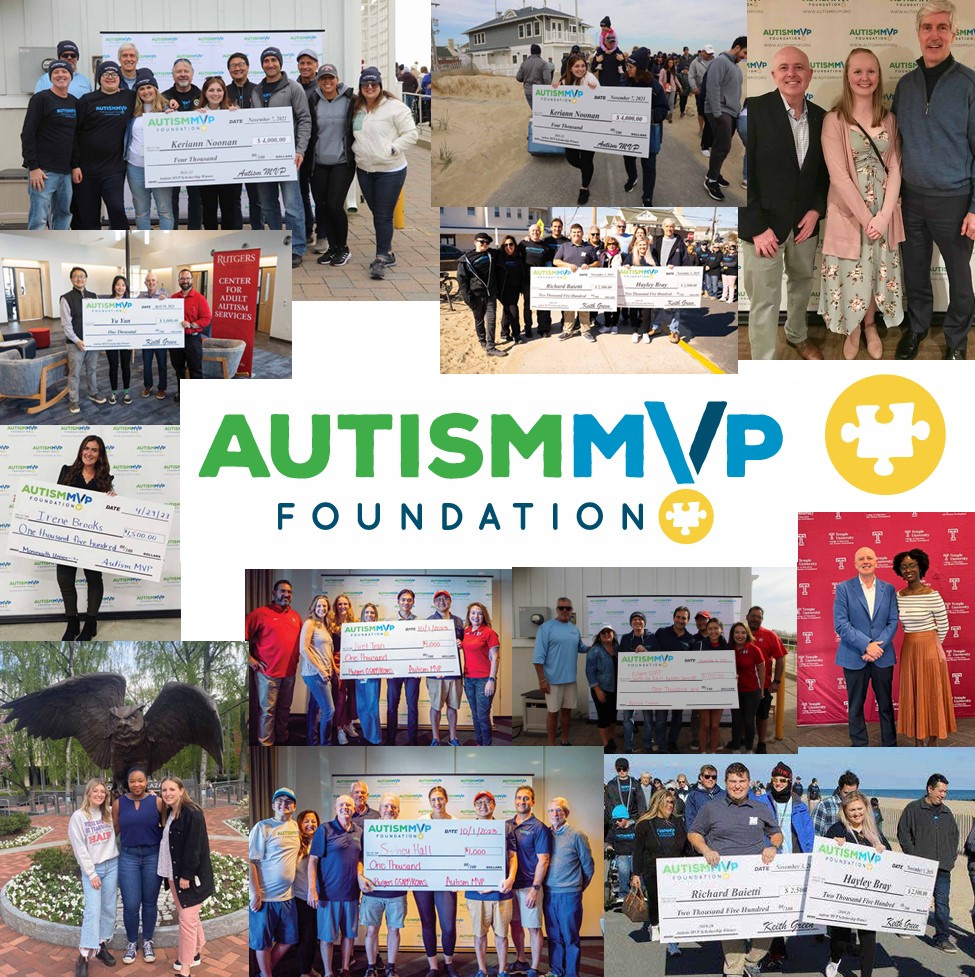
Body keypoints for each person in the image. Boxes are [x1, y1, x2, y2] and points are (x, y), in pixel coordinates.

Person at [893, 0, 975, 360]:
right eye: (928, 28)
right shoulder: (906, 85)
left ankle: (956, 342)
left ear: (954, 34)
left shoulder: (970, 84)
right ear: (918, 33)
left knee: (960, 282)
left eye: (942, 28)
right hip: (911, 200)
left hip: (956, 203)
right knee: (914, 274)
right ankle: (917, 328)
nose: (934, 35)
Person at [740, 47, 828, 360]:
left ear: (810, 73)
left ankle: (797, 336)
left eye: (799, 67)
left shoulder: (821, 117)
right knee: (764, 300)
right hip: (763, 227)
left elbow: (823, 175)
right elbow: (740, 178)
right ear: (773, 74)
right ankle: (763, 364)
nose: (792, 73)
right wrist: (756, 226)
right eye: (784, 68)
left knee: (802, 285)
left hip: (804, 225)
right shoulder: (754, 111)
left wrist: (817, 209)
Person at [818, 50, 905, 358]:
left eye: (870, 71)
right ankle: (852, 328)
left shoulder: (890, 119)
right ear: (847, 76)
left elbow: (896, 167)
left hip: (885, 209)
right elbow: (839, 175)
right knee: (851, 269)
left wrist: (882, 217)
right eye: (858, 72)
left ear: (878, 76)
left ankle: (870, 325)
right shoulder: (834, 120)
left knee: (876, 270)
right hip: (849, 211)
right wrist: (867, 216)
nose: (864, 78)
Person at [687, 763, 783, 976]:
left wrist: (773, 846)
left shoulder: (761, 808)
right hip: (724, 878)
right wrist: (704, 849)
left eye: (741, 781)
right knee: (730, 927)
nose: (737, 786)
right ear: (726, 783)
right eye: (733, 781)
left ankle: (751, 961)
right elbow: (694, 833)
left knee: (767, 926)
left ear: (749, 782)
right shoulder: (711, 808)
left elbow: (776, 833)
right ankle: (734, 970)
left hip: (758, 878)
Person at [351, 66, 418, 280]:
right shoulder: (357, 107)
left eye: (373, 84)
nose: (369, 87)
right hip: (365, 169)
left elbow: (411, 134)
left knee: (382, 214)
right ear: (361, 87)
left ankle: (382, 256)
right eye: (365, 84)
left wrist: (392, 148)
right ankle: (387, 250)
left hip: (390, 169)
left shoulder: (395, 108)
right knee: (377, 212)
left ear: (380, 86)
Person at [251, 46, 311, 268]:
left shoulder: (293, 88)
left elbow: (305, 120)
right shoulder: (256, 90)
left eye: (273, 60)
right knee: (268, 205)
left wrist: (299, 150)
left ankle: (296, 247)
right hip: (262, 158)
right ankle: (277, 244)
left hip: (287, 157)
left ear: (280, 63)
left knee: (293, 205)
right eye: (266, 60)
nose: (270, 64)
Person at [833, 546, 899, 747]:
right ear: (855, 564)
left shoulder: (888, 589)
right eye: (861, 558)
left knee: (886, 705)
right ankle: (859, 746)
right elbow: (841, 623)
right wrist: (866, 646)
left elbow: (893, 621)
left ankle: (890, 745)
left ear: (877, 562)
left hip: (882, 655)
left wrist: (876, 648)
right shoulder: (844, 588)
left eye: (869, 557)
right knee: (855, 706)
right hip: (854, 656)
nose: (865, 561)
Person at [822, 789, 889, 977]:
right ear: (845, 811)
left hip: (868, 895)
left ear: (866, 809)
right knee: (840, 939)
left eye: (859, 808)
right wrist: (834, 844)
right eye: (852, 810)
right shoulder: (837, 829)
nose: (856, 813)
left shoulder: (874, 832)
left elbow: (889, 860)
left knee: (868, 939)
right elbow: (825, 855)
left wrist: (882, 849)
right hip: (844, 894)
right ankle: (835, 959)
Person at [53, 434, 114, 640]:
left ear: (100, 454)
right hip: (67, 535)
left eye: (94, 450)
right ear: (81, 450)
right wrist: (28, 501)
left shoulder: (106, 479)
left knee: (94, 579)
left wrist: (113, 500)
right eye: (86, 448)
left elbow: (109, 512)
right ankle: (72, 623)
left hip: (92, 538)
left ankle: (91, 623)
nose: (89, 453)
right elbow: (51, 500)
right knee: (65, 579)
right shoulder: (67, 472)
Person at [893, 548, 955, 745]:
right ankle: (918, 739)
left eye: (912, 565)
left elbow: (944, 626)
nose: (908, 570)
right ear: (899, 571)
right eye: (903, 567)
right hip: (909, 648)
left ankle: (933, 739)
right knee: (914, 694)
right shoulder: (898, 596)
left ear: (921, 567)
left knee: (932, 694)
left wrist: (934, 647)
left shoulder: (932, 595)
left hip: (930, 649)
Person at [758, 763, 814, 969]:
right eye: (775, 780)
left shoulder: (799, 804)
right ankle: (776, 952)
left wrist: (811, 858)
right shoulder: (761, 802)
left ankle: (803, 936)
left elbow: (808, 836)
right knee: (771, 908)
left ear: (789, 782)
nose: (778, 784)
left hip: (794, 861)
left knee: (789, 907)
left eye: (782, 780)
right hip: (769, 861)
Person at [897, 773, 959, 952]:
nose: (943, 795)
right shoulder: (914, 808)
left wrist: (951, 858)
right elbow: (903, 832)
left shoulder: (947, 812)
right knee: (915, 899)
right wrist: (915, 855)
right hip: (920, 866)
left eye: (945, 792)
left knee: (942, 902)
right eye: (940, 791)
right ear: (929, 789)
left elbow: (954, 836)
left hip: (943, 867)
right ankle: (906, 925)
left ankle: (942, 938)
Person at [158, 777, 213, 977]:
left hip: (187, 877)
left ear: (181, 790)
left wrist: (187, 875)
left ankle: (186, 968)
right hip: (172, 874)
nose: (167, 793)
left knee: (187, 919)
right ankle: (196, 952)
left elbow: (195, 847)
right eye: (164, 790)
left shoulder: (193, 813)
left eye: (172, 789)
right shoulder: (171, 813)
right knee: (190, 917)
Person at [72, 61, 135, 229]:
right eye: (105, 74)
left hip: (113, 169)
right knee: (88, 216)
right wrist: (75, 165)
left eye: (114, 74)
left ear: (119, 78)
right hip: (86, 171)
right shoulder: (86, 100)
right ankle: (92, 252)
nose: (110, 77)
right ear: (99, 78)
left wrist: (170, 104)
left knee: (116, 208)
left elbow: (151, 98)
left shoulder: (129, 97)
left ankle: (122, 248)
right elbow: (74, 134)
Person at [113, 765, 164, 965]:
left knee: (150, 902)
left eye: (140, 780)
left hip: (153, 855)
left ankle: (148, 941)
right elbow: (113, 831)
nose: (137, 784)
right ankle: (132, 942)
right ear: (128, 782)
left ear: (147, 782)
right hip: (128, 857)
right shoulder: (119, 804)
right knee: (131, 904)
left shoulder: (157, 802)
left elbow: (167, 827)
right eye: (133, 781)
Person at [307, 795, 364, 977]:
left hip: (351, 893)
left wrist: (360, 876)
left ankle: (345, 968)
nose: (345, 807)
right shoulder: (324, 830)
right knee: (327, 937)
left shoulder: (359, 832)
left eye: (348, 804)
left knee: (349, 935)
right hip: (327, 895)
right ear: (335, 808)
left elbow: (360, 859)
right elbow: (312, 861)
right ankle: (329, 972)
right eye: (341, 804)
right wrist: (312, 889)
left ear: (353, 808)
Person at [68, 777, 118, 977]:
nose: (99, 794)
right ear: (88, 793)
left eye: (102, 791)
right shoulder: (79, 817)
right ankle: (84, 955)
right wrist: (91, 873)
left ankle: (101, 945)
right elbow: (79, 848)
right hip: (94, 869)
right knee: (93, 911)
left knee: (108, 909)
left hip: (112, 865)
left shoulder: (107, 813)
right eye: (95, 791)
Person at [465, 792, 518, 977]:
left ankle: (502, 970)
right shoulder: (467, 829)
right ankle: (482, 970)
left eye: (487, 802)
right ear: (474, 806)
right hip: (475, 892)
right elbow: (460, 858)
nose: (483, 806)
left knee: (502, 934)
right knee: (479, 934)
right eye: (479, 802)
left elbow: (513, 856)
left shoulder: (505, 827)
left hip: (501, 891)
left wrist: (511, 878)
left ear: (494, 805)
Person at [308, 63, 356, 267]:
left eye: (331, 78)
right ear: (318, 81)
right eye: (323, 78)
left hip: (342, 162)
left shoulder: (350, 99)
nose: (327, 82)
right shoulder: (313, 99)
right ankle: (332, 248)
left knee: (335, 205)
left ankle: (343, 248)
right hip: (318, 162)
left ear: (337, 79)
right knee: (323, 205)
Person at [21, 58, 78, 229]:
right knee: (39, 219)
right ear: (50, 77)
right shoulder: (41, 99)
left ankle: (60, 253)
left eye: (64, 72)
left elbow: (74, 137)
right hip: (43, 172)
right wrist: (34, 167)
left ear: (71, 76)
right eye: (56, 72)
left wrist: (75, 165)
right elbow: (28, 134)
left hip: (66, 172)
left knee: (63, 216)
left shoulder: (74, 102)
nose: (61, 75)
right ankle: (36, 254)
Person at [250, 788, 300, 977]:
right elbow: (251, 861)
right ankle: (267, 974)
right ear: (273, 805)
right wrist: (255, 893)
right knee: (262, 942)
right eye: (279, 801)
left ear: (294, 807)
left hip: (287, 897)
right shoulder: (262, 827)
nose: (284, 804)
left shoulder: (295, 827)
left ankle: (264, 973)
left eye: (289, 801)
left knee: (288, 940)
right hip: (265, 897)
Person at [247, 579, 303, 746]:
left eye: (289, 592)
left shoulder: (295, 617)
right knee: (267, 711)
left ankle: (281, 738)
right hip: (268, 674)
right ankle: (265, 743)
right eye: (282, 591)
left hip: (289, 673)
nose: (286, 594)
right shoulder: (260, 613)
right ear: (274, 593)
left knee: (285, 709)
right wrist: (250, 659)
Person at [633, 789, 688, 953]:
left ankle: (673, 942)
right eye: (668, 802)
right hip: (652, 871)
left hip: (675, 872)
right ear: (658, 803)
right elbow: (638, 850)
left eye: (672, 802)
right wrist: (636, 874)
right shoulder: (644, 824)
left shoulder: (678, 822)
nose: (671, 806)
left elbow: (686, 847)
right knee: (656, 902)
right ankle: (655, 924)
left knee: (673, 906)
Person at [544, 797, 593, 977]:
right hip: (549, 894)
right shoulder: (545, 834)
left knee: (570, 937)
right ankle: (556, 971)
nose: (555, 814)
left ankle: (572, 974)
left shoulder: (577, 835)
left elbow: (588, 867)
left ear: (566, 813)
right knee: (554, 936)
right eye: (551, 811)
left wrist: (577, 887)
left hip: (569, 895)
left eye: (559, 810)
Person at [359, 793, 407, 977]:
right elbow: (360, 857)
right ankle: (371, 966)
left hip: (397, 891)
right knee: (372, 930)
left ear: (398, 811)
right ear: (379, 810)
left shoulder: (406, 832)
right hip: (373, 890)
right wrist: (359, 876)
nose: (390, 810)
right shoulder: (368, 831)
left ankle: (391, 967)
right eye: (386, 806)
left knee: (394, 929)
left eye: (393, 807)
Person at [508, 785, 552, 977]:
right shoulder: (508, 824)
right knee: (515, 925)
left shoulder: (539, 827)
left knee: (533, 927)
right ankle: (521, 960)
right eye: (519, 798)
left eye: (526, 798)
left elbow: (544, 859)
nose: (522, 801)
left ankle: (534, 967)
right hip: (510, 886)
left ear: (532, 802)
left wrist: (535, 888)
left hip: (529, 886)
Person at [415, 787, 459, 976]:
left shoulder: (455, 823)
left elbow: (460, 853)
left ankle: (448, 962)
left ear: (446, 799)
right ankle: (433, 965)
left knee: (448, 925)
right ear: (429, 801)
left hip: (446, 881)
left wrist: (458, 878)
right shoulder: (420, 822)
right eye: (433, 800)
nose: (437, 803)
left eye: (440, 799)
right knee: (427, 922)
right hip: (423, 880)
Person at [533, 597, 588, 744]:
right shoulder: (546, 628)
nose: (565, 611)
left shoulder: (574, 629)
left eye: (568, 608)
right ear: (557, 609)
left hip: (570, 679)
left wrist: (598, 645)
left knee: (567, 712)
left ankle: (564, 740)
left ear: (571, 611)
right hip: (552, 681)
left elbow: (581, 647)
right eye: (561, 608)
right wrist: (542, 680)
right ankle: (551, 745)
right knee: (552, 713)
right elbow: (538, 658)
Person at [126, 75, 177, 230]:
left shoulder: (168, 109)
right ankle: (146, 246)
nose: (146, 91)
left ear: (155, 90)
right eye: (141, 88)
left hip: (160, 167)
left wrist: (172, 118)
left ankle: (166, 247)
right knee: (141, 211)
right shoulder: (130, 111)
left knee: (165, 210)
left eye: (149, 87)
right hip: (136, 166)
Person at [621, 49, 668, 207]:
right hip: (628, 132)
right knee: (628, 159)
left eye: (631, 67)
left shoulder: (655, 87)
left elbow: (663, 108)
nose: (627, 69)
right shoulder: (624, 83)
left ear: (639, 68)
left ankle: (647, 196)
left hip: (649, 134)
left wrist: (650, 115)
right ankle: (632, 177)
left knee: (649, 166)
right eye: (627, 66)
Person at [703, 37, 747, 201]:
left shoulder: (735, 67)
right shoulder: (720, 62)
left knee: (720, 146)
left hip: (731, 112)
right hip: (720, 111)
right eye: (744, 52)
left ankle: (713, 173)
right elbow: (712, 87)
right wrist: (717, 113)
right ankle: (711, 180)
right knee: (723, 146)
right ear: (736, 48)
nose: (744, 56)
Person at [162, 59, 203, 229]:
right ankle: (173, 235)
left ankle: (193, 233)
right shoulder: (163, 96)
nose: (183, 74)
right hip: (172, 156)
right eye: (179, 71)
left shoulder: (203, 95)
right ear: (173, 75)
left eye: (186, 71)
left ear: (192, 75)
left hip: (198, 155)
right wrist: (165, 112)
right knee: (172, 197)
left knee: (197, 197)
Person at [196, 77, 242, 229]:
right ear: (205, 92)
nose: (215, 94)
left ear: (224, 92)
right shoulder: (196, 114)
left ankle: (227, 247)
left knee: (229, 210)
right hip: (206, 172)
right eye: (211, 90)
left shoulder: (233, 111)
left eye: (219, 90)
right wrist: (194, 120)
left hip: (229, 172)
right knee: (208, 210)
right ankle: (212, 245)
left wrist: (238, 117)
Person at [654, 607, 701, 751]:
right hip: (661, 683)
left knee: (677, 716)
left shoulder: (690, 639)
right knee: (661, 717)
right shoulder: (661, 633)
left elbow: (694, 663)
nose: (681, 620)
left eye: (684, 618)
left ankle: (672, 742)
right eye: (678, 617)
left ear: (687, 621)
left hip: (680, 685)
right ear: (674, 617)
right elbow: (652, 653)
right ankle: (661, 744)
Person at [225, 52, 264, 230]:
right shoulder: (223, 91)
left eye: (241, 64)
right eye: (233, 66)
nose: (237, 68)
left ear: (248, 67)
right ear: (229, 70)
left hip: (255, 153)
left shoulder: (259, 90)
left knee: (257, 198)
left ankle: (258, 232)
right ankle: (236, 234)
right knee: (233, 199)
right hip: (231, 154)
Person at [554, 55, 599, 204]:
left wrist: (596, 91)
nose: (580, 69)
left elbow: (604, 101)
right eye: (577, 66)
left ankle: (584, 187)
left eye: (582, 66)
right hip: (571, 129)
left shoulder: (591, 78)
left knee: (586, 159)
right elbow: (554, 101)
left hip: (589, 128)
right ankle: (588, 169)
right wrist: (554, 89)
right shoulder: (564, 80)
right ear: (570, 68)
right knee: (571, 158)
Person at [426, 590, 465, 746]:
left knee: (453, 706)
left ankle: (452, 737)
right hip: (435, 672)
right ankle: (435, 738)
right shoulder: (428, 621)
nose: (442, 602)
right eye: (439, 599)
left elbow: (463, 642)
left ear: (450, 601)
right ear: (434, 603)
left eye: (445, 599)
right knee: (436, 706)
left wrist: (461, 643)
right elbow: (423, 646)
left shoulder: (458, 621)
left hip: (454, 670)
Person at [745, 605, 786, 753]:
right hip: (742, 686)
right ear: (747, 617)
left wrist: (777, 681)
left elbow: (780, 658)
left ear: (762, 619)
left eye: (759, 617)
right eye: (753, 616)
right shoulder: (739, 633)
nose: (755, 619)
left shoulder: (770, 635)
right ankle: (743, 740)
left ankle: (761, 743)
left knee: (762, 717)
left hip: (763, 686)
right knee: (744, 716)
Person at [458, 233, 506, 357]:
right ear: (475, 242)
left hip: (491, 294)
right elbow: (462, 281)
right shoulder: (466, 259)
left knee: (491, 319)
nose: (484, 244)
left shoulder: (492, 254)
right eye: (482, 242)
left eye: (487, 242)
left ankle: (490, 346)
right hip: (476, 296)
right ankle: (482, 341)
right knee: (479, 320)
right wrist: (468, 299)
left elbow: (506, 248)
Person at [618, 612, 660, 752]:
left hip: (647, 685)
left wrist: (647, 652)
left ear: (645, 623)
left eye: (640, 619)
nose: (637, 622)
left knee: (648, 718)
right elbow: (620, 660)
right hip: (628, 685)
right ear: (631, 623)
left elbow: (660, 659)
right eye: (634, 619)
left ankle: (648, 745)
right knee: (627, 718)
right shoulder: (625, 639)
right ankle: (628, 746)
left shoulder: (652, 637)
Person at [553, 224, 601, 344]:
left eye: (578, 232)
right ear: (570, 234)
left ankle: (585, 331)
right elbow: (556, 261)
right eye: (574, 232)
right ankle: (567, 331)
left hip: (584, 284)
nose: (576, 234)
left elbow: (597, 262)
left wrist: (589, 265)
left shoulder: (589, 247)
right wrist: (568, 265)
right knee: (569, 307)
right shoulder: (565, 246)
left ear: (582, 233)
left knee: (584, 307)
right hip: (568, 283)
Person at [462, 600, 500, 746]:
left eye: (479, 613)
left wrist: (491, 679)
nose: (476, 616)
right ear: (468, 615)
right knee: (475, 715)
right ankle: (479, 743)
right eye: (473, 613)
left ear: (484, 616)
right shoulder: (465, 632)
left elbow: (495, 657)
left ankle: (486, 745)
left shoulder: (489, 633)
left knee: (483, 716)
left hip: (484, 679)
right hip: (469, 679)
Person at [385, 588, 421, 744]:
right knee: (392, 705)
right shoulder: (388, 621)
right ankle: (390, 739)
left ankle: (413, 740)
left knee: (412, 706)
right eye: (403, 599)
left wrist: (421, 667)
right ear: (398, 601)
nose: (406, 602)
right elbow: (384, 646)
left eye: (409, 600)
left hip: (413, 671)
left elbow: (423, 646)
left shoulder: (420, 622)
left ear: (413, 602)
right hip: (394, 670)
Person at [299, 594, 335, 746]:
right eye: (319, 606)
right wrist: (321, 669)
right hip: (314, 673)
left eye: (325, 606)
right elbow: (303, 649)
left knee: (314, 709)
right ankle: (325, 744)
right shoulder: (310, 623)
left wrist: (333, 667)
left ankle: (312, 742)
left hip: (324, 672)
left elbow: (328, 650)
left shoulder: (324, 626)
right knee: (329, 710)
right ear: (314, 607)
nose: (322, 608)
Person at [651, 218, 693, 345]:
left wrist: (685, 275)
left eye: (671, 227)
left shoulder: (679, 242)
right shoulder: (657, 241)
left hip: (674, 278)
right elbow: (652, 258)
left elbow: (685, 260)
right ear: (663, 227)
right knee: (657, 304)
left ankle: (674, 330)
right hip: (660, 277)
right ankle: (656, 327)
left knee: (675, 305)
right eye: (667, 226)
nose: (669, 229)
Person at [171, 268, 211, 399]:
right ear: (178, 281)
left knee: (195, 369)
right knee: (179, 368)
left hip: (192, 339)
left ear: (192, 280)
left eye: (187, 278)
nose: (185, 281)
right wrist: (161, 301)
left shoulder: (200, 298)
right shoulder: (173, 298)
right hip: (176, 339)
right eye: (182, 278)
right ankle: (182, 393)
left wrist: (192, 324)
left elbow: (207, 318)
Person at [728, 622, 765, 753]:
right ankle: (736, 748)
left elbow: (761, 669)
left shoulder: (754, 649)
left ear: (747, 634)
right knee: (736, 721)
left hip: (752, 692)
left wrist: (761, 689)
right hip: (734, 692)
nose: (740, 635)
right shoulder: (728, 649)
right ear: (732, 634)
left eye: (743, 632)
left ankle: (749, 749)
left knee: (749, 721)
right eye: (737, 632)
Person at [295, 50, 320, 244]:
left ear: (316, 65)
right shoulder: (293, 87)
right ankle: (306, 230)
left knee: (319, 194)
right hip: (299, 148)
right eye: (301, 63)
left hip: (319, 148)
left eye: (308, 63)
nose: (305, 66)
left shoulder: (323, 86)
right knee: (301, 192)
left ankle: (323, 232)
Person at [292, 808, 321, 977]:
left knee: (314, 936)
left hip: (318, 897)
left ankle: (308, 968)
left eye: (314, 821)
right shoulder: (296, 844)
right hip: (301, 897)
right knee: (306, 936)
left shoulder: (321, 841)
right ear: (300, 824)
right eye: (307, 821)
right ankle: (304, 971)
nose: (311, 824)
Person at [328, 594, 360, 744]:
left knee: (353, 695)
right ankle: (339, 728)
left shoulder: (355, 622)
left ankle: (348, 724)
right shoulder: (331, 624)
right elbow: (328, 649)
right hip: (337, 662)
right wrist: (334, 667)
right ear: (336, 606)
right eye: (340, 604)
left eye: (345, 604)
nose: (343, 607)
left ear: (349, 606)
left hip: (353, 662)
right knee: (339, 697)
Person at [100, 275, 134, 405]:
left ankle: (126, 392)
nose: (121, 287)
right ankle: (113, 392)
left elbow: (135, 323)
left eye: (123, 285)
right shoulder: (106, 303)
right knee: (113, 366)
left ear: (126, 288)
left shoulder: (131, 303)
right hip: (111, 340)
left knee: (126, 366)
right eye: (118, 284)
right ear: (114, 286)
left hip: (126, 340)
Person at [586, 626, 619, 752]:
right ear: (599, 636)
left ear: (613, 634)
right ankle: (605, 745)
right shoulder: (594, 651)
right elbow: (590, 672)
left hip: (616, 689)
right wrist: (597, 690)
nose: (606, 634)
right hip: (602, 690)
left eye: (608, 632)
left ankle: (610, 739)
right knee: (603, 717)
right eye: (603, 632)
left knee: (612, 717)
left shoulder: (617, 648)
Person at [698, 618, 729, 753]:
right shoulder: (699, 645)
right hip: (703, 690)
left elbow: (731, 667)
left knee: (715, 725)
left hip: (720, 690)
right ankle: (703, 752)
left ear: (721, 629)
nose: (713, 631)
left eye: (716, 628)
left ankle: (713, 752)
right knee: (705, 724)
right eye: (710, 628)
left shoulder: (727, 647)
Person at [138, 273, 171, 398]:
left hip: (161, 337)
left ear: (156, 282)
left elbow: (171, 313)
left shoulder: (165, 296)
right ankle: (148, 386)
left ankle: (162, 388)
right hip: (146, 338)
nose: (150, 282)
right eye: (148, 281)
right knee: (146, 363)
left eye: (153, 280)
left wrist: (166, 302)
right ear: (145, 283)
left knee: (162, 363)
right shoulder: (140, 297)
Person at [356, 604, 384, 744]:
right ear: (362, 614)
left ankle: (375, 738)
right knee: (361, 706)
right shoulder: (355, 630)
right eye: (367, 612)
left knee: (372, 706)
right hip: (358, 673)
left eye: (372, 612)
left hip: (373, 673)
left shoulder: (380, 630)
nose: (369, 615)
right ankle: (367, 735)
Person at [498, 235, 527, 345]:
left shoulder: (518, 256)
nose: (509, 247)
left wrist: (526, 239)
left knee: (507, 310)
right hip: (503, 290)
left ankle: (504, 333)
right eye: (506, 245)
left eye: (511, 244)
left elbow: (523, 246)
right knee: (513, 310)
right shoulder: (499, 256)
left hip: (515, 290)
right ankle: (516, 334)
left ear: (515, 245)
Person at [813, 770, 862, 835]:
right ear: (839, 789)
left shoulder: (861, 807)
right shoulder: (825, 805)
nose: (849, 797)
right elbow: (814, 832)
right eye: (846, 793)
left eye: (853, 793)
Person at [688, 46, 715, 146]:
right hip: (700, 91)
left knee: (711, 110)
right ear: (702, 52)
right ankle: (701, 128)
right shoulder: (695, 62)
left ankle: (710, 130)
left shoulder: (715, 61)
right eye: (708, 53)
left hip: (712, 90)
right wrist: (694, 88)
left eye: (711, 53)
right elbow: (691, 76)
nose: (710, 55)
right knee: (701, 110)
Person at [604, 757, 645, 822]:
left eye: (624, 769)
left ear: (628, 769)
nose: (622, 771)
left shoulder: (635, 783)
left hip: (633, 819)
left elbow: (641, 802)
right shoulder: (611, 784)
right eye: (619, 769)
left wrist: (640, 819)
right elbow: (608, 803)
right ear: (615, 769)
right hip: (617, 819)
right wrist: (614, 819)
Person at [598, 235, 623, 335]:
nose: (611, 246)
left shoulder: (621, 255)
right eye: (609, 244)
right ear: (606, 245)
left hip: (617, 283)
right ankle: (607, 324)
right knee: (607, 304)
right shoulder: (602, 255)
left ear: (617, 245)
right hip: (605, 283)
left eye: (614, 244)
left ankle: (615, 325)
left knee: (616, 305)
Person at [659, 57, 681, 123]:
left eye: (672, 63)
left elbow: (675, 79)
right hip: (665, 88)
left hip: (672, 88)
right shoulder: (663, 70)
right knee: (666, 102)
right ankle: (665, 114)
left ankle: (670, 115)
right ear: (667, 63)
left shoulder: (673, 70)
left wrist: (680, 86)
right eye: (669, 62)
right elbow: (660, 80)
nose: (670, 64)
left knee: (671, 102)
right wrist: (662, 87)